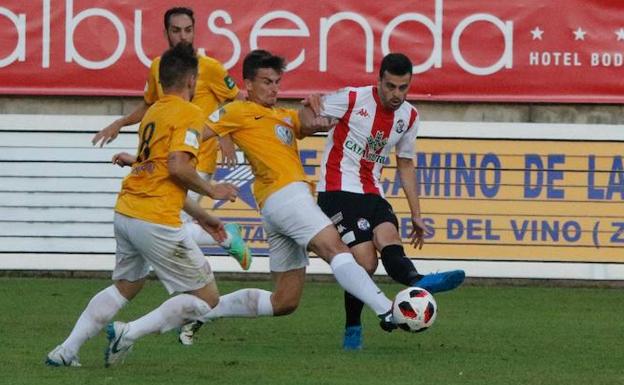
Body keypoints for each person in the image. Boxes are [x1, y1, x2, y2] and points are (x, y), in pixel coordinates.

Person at [177, 49, 404, 346]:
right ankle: (386, 309)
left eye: (277, 82)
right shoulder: (237, 111)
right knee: (336, 249)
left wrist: (318, 114)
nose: (273, 88)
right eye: (266, 82)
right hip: (286, 196)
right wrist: (177, 152)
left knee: (284, 301)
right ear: (248, 84)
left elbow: (308, 123)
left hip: (279, 207)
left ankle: (204, 312)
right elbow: (199, 130)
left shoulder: (282, 116)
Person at [45, 44, 240, 367]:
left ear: (161, 81)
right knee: (207, 299)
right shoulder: (190, 113)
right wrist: (212, 188)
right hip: (156, 219)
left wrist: (204, 217)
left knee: (126, 286)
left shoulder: (155, 113)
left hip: (127, 211)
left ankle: (66, 350)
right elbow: (178, 166)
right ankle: (128, 332)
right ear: (191, 80)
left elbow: (163, 173)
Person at [310, 53, 465, 350]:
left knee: (390, 239)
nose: (396, 94)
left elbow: (405, 165)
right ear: (379, 80)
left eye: (403, 88)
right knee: (365, 263)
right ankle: (353, 328)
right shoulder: (354, 99)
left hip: (373, 192)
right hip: (338, 191)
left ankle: (418, 280)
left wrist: (416, 214)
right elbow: (311, 107)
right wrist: (313, 102)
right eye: (391, 86)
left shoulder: (409, 117)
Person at [91, 7, 251, 272]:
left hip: (195, 156)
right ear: (166, 33)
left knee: (167, 224)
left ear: (195, 31)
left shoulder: (210, 68)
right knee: (163, 222)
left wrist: (225, 133)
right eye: (176, 30)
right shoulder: (159, 68)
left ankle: (219, 246)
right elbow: (150, 106)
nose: (183, 36)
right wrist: (120, 123)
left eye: (188, 30)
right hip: (164, 158)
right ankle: (216, 246)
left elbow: (239, 101)